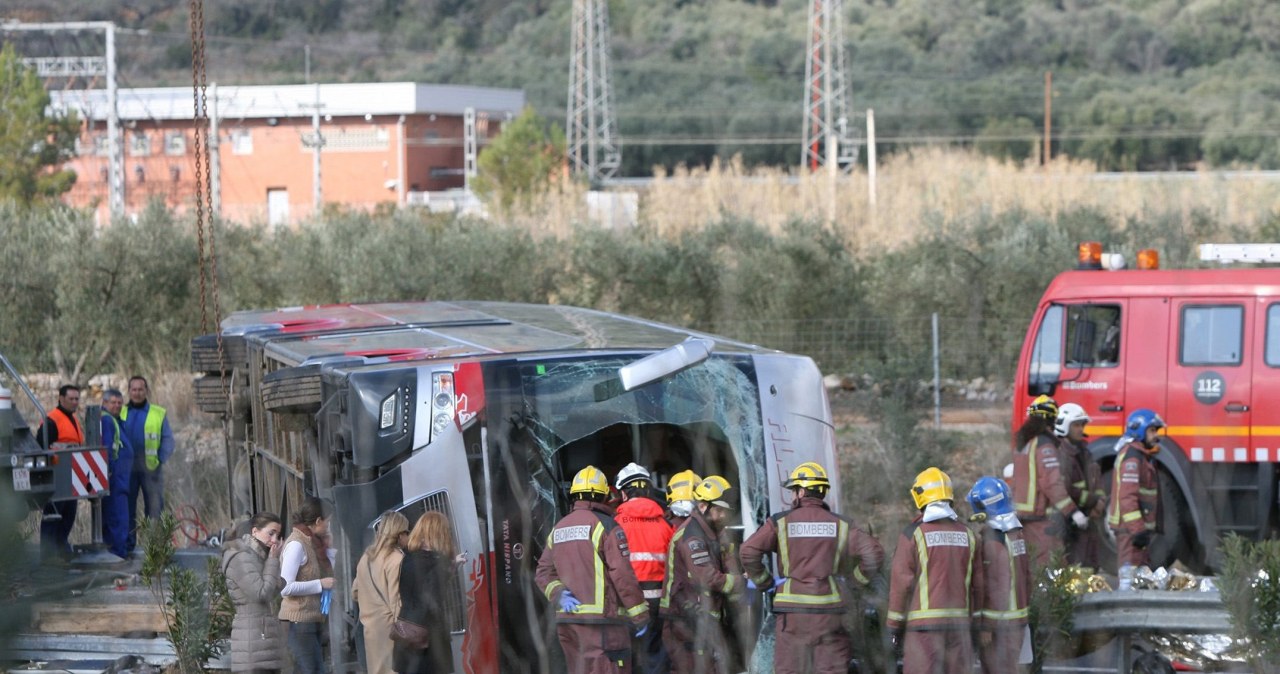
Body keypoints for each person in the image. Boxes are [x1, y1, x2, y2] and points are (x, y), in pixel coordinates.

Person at [740, 461, 885, 674]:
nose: (792, 496)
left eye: (793, 491)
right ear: (822, 491)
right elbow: (875, 553)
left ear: (800, 492)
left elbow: (748, 551)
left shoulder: (781, 522)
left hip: (792, 614)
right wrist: (855, 582)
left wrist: (766, 582)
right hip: (831, 613)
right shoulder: (842, 524)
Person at [536, 465, 650, 674]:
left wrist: (558, 594)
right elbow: (623, 575)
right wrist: (640, 614)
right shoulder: (606, 526)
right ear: (604, 496)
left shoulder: (559, 528)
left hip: (568, 623)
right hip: (603, 625)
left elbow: (543, 572)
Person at [886, 467, 981, 674]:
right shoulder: (968, 535)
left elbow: (901, 585)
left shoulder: (914, 534)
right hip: (960, 629)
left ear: (920, 497)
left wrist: (893, 626)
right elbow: (978, 587)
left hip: (923, 631)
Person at [660, 475, 740, 674]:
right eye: (719, 511)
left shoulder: (712, 533)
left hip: (700, 619)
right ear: (703, 506)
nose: (723, 516)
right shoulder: (692, 535)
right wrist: (738, 583)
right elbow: (706, 576)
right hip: (684, 618)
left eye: (726, 512)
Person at [1010, 395, 1086, 567]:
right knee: (1051, 564)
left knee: (1029, 563)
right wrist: (1072, 511)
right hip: (1040, 517)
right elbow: (1051, 483)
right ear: (1052, 419)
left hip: (1021, 516)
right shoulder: (1044, 445)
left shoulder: (1023, 443)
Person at [966, 477, 1030, 674]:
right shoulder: (1016, 533)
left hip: (999, 626)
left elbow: (995, 585)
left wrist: (986, 625)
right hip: (1018, 620)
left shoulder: (992, 539)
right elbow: (1027, 578)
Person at [614, 463, 673, 674]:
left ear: (623, 493)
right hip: (660, 603)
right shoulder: (666, 525)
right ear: (648, 490)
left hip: (628, 604)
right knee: (654, 657)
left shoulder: (616, 524)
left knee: (625, 659)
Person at [394, 511, 459, 674]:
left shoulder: (406, 559)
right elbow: (431, 596)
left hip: (406, 631)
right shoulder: (435, 563)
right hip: (429, 640)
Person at [222, 512, 287, 673]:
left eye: (277, 535)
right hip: (252, 642)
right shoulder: (241, 558)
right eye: (271, 533)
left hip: (263, 639)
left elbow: (274, 588)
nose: (274, 540)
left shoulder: (259, 557)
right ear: (255, 531)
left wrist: (275, 562)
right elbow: (261, 593)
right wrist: (272, 560)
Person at [279, 497, 336, 674]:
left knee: (309, 669)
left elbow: (329, 573)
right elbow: (285, 587)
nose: (328, 526)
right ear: (318, 521)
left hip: (312, 618)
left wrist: (330, 548)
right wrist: (319, 584)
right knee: (313, 670)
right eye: (328, 522)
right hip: (299, 620)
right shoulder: (297, 544)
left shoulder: (313, 542)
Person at [1110, 409, 1164, 591]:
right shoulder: (1133, 458)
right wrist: (1137, 530)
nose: (1156, 436)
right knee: (1129, 580)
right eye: (1152, 431)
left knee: (1139, 580)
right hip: (1130, 533)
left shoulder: (1141, 456)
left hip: (1135, 532)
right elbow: (1127, 497)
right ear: (1138, 430)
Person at [121, 375, 175, 553]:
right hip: (127, 471)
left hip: (151, 471)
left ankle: (155, 550)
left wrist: (160, 459)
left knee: (154, 511)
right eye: (134, 389)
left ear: (146, 391)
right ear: (129, 391)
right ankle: (127, 548)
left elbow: (167, 440)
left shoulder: (158, 413)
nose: (137, 393)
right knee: (126, 511)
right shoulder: (119, 413)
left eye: (140, 389)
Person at [354, 510, 410, 674]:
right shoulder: (397, 559)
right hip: (390, 630)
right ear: (399, 534)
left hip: (370, 628)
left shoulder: (366, 557)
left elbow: (355, 591)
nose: (408, 536)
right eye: (407, 531)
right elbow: (396, 601)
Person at [1053, 403, 1107, 567]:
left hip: (1088, 518)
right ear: (1064, 425)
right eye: (1076, 424)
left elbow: (1097, 480)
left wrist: (1101, 502)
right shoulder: (1060, 453)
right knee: (1072, 565)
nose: (1080, 429)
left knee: (1090, 564)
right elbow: (1064, 488)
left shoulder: (1084, 452)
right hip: (1069, 520)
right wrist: (1093, 500)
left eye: (1082, 424)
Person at [36, 384, 84, 561]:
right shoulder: (52, 420)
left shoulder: (73, 419)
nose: (74, 402)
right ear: (61, 399)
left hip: (72, 478)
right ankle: (48, 557)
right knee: (53, 517)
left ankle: (61, 552)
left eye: (77, 399)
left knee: (68, 517)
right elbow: (40, 446)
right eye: (71, 399)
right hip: (56, 478)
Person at [100, 388, 135, 559]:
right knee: (117, 516)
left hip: (120, 476)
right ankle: (117, 553)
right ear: (105, 403)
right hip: (116, 477)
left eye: (120, 403)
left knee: (117, 515)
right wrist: (111, 469)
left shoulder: (115, 420)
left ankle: (118, 550)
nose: (117, 406)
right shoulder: (107, 421)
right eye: (113, 402)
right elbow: (107, 447)